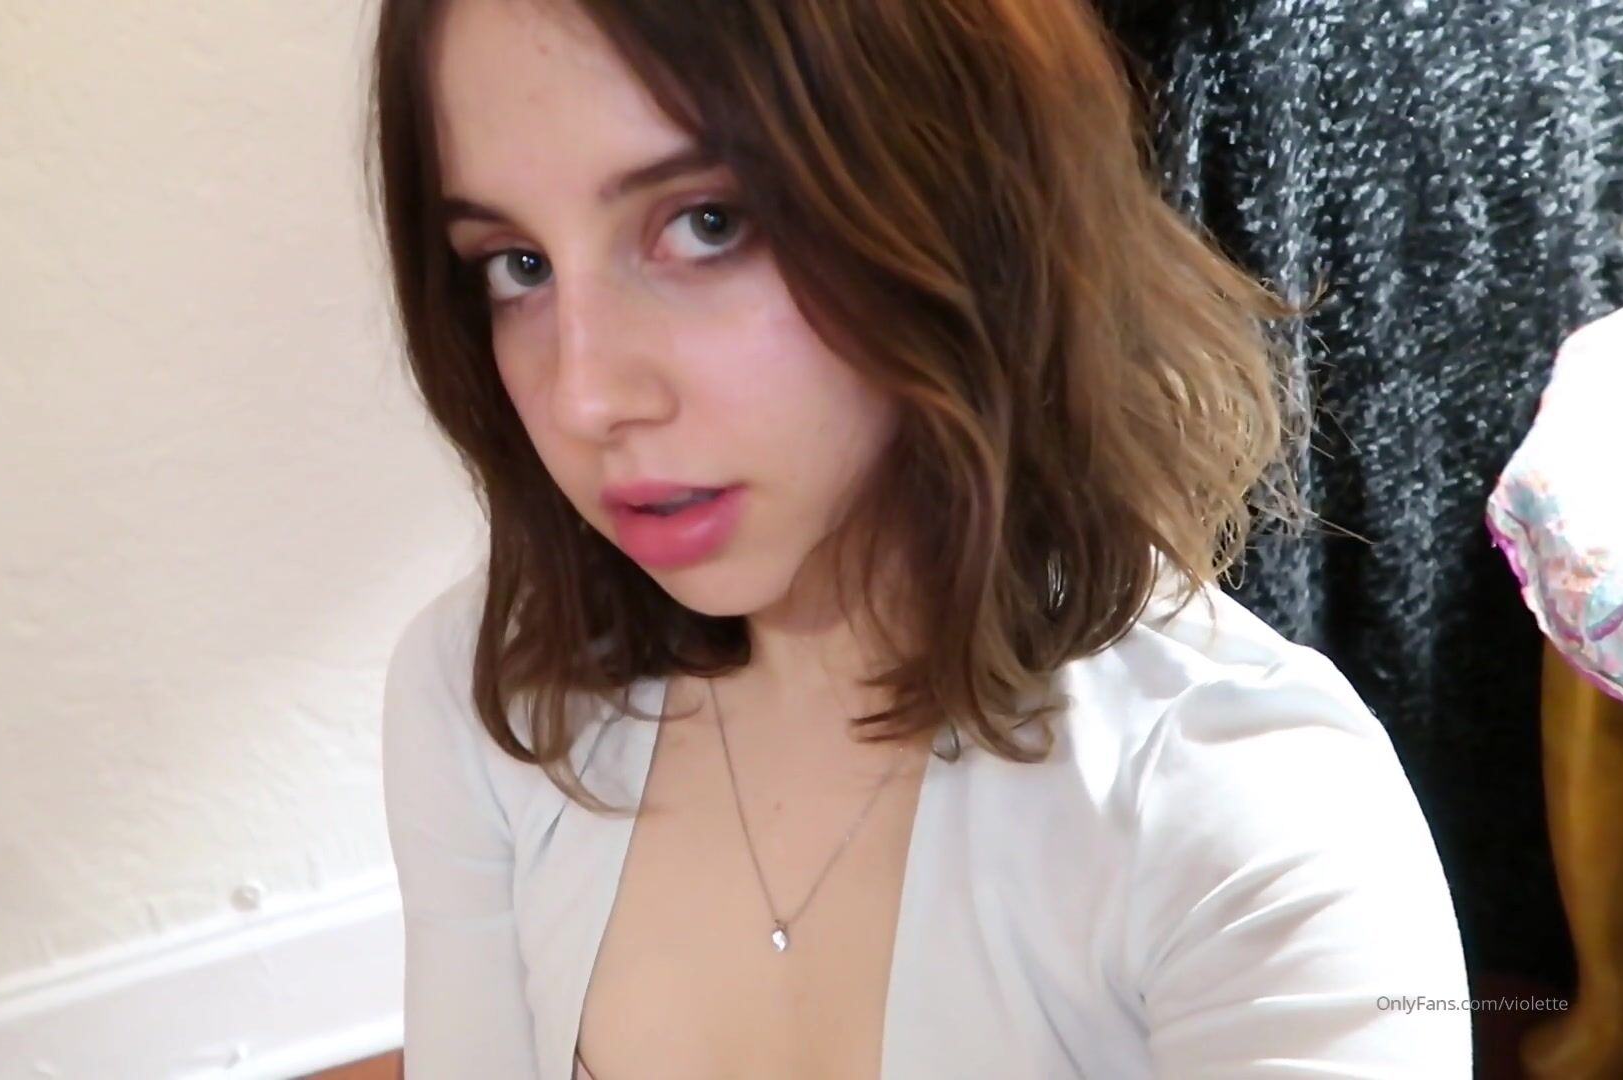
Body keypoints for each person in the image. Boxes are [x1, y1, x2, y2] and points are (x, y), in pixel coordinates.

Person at [368, 0, 1472, 1076]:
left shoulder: (1252, 821)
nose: (585, 397)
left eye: (707, 224)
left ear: (958, 189)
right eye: (517, 264)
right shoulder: (491, 692)